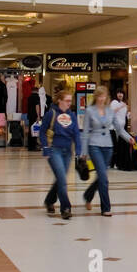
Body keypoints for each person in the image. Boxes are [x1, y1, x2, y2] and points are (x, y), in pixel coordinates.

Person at [80, 86, 133, 215]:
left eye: (103, 96)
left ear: (106, 97)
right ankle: (106, 207)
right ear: (95, 97)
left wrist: (129, 138)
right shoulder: (90, 111)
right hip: (94, 145)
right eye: (99, 96)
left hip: (108, 146)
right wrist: (83, 152)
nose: (101, 98)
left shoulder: (110, 111)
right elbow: (86, 132)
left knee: (101, 176)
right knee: (104, 177)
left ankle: (88, 195)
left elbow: (119, 129)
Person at [40, 89, 82, 219]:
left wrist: (79, 151)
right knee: (63, 180)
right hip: (54, 150)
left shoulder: (72, 115)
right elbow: (42, 132)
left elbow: (76, 134)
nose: (69, 103)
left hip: (67, 151)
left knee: (60, 179)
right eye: (67, 100)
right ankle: (65, 207)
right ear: (59, 101)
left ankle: (49, 200)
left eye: (71, 100)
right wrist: (46, 148)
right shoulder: (51, 114)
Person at [109, 90, 132, 170]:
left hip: (122, 128)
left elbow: (124, 115)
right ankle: (113, 163)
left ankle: (117, 162)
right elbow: (112, 112)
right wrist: (121, 107)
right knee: (115, 146)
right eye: (118, 93)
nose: (120, 94)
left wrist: (129, 114)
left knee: (119, 146)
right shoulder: (114, 102)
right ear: (116, 94)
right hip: (114, 128)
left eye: (121, 93)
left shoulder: (124, 103)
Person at [23, 83, 43, 152]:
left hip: (30, 115)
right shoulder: (37, 97)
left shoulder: (29, 97)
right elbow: (37, 106)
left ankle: (30, 146)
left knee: (30, 130)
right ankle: (34, 146)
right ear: (37, 91)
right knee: (35, 130)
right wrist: (38, 116)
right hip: (34, 116)